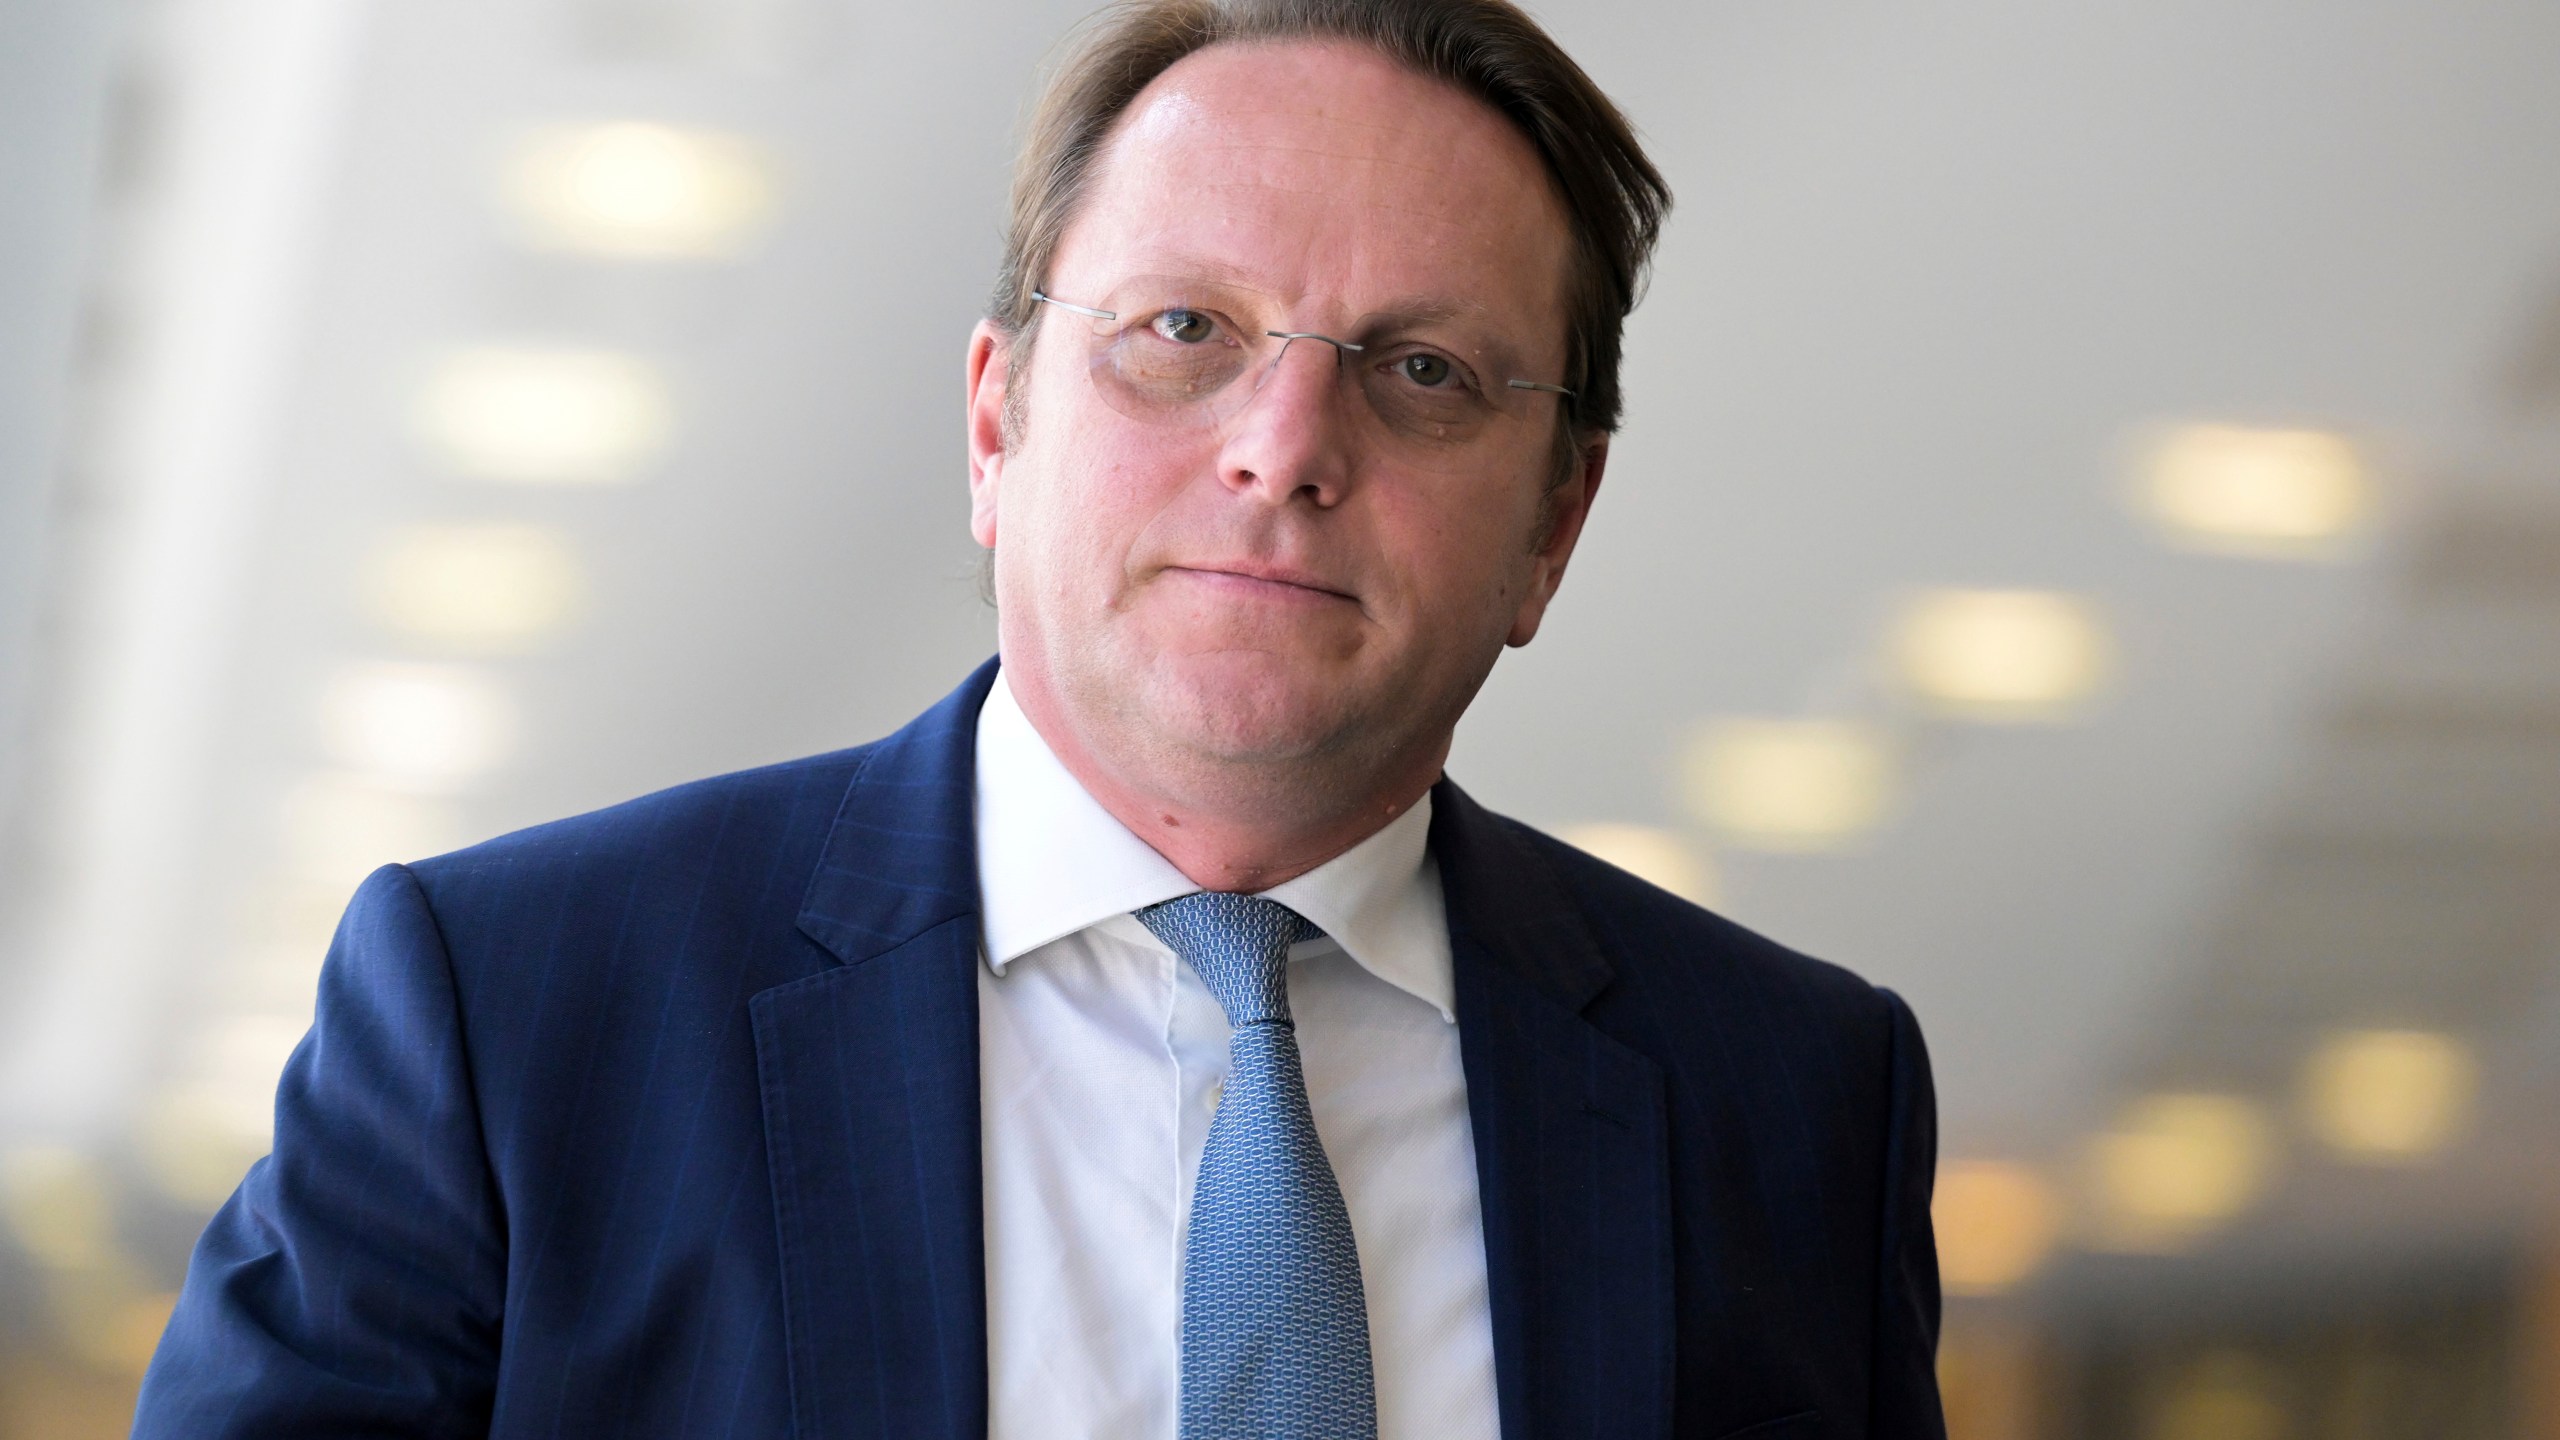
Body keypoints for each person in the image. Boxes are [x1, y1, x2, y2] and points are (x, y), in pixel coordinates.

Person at [135, 0, 1945, 1435]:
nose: (1285, 450)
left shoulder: (1792, 1100)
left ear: (1553, 522)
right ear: (996, 426)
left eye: (1423, 373)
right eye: (1182, 328)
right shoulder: (514, 1013)